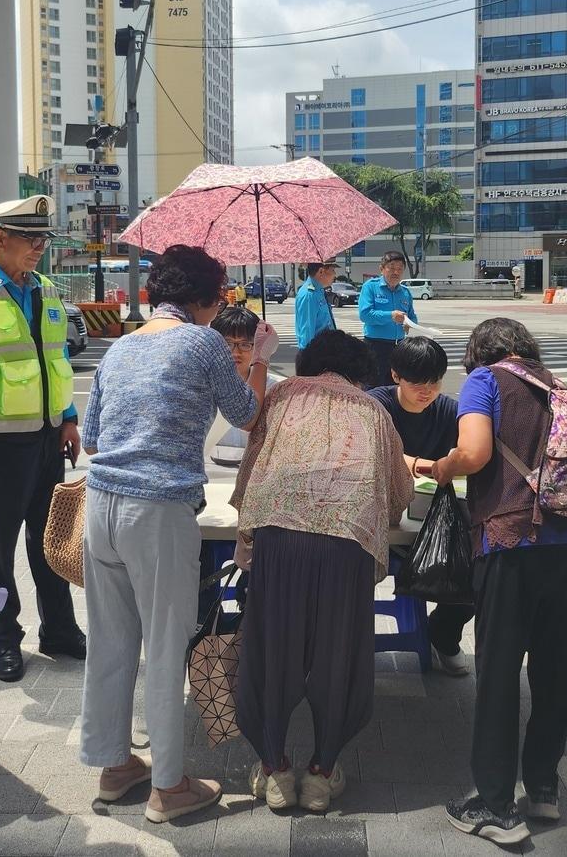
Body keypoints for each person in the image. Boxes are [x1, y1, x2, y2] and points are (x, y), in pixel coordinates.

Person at [80, 244, 275, 824]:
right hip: (158, 511)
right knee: (165, 645)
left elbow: (92, 437)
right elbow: (247, 414)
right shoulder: (203, 341)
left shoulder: (119, 347)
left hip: (101, 505)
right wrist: (259, 357)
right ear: (206, 300)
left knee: (111, 642)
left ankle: (115, 766)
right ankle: (168, 785)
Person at [432, 319, 567, 844]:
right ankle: (544, 790)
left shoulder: (485, 381)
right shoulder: (561, 386)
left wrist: (439, 466)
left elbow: (476, 454)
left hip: (513, 542)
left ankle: (494, 805)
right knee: (556, 668)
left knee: (501, 672)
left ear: (478, 352)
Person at [233, 329, 413, 813]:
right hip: (346, 541)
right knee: (339, 655)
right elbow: (399, 489)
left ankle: (274, 769)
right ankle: (321, 773)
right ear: (359, 371)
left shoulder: (281, 395)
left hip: (279, 535)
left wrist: (245, 533)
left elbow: (250, 468)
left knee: (273, 650)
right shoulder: (374, 409)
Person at [0, 196, 84, 683]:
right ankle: (4, 638)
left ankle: (61, 630)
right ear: (0, 239)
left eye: (44, 239)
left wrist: (68, 418)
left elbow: (56, 363)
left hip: (48, 439)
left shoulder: (47, 289)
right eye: (31, 239)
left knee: (50, 541)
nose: (40, 249)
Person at [367, 337, 474, 676]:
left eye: (435, 381)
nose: (427, 390)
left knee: (479, 568)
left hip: (432, 522)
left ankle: (442, 634)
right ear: (396, 375)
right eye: (417, 382)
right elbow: (380, 452)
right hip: (375, 521)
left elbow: (472, 450)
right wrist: (430, 466)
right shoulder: (375, 404)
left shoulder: (448, 410)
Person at [209, 305, 281, 468]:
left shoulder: (273, 390)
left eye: (245, 344)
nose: (236, 352)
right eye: (228, 343)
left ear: (258, 346)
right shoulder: (202, 387)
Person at [358, 251, 418, 388]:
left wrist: (410, 323)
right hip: (376, 346)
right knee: (374, 387)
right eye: (391, 268)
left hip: (399, 346)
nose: (395, 272)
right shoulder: (370, 287)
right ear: (382, 269)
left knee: (396, 388)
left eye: (400, 269)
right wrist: (390, 316)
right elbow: (365, 314)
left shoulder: (405, 292)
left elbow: (412, 316)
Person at [294, 260, 339, 353]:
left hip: (326, 351)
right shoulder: (309, 295)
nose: (335, 274)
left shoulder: (319, 291)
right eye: (333, 270)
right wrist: (308, 361)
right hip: (317, 355)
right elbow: (306, 333)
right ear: (321, 271)